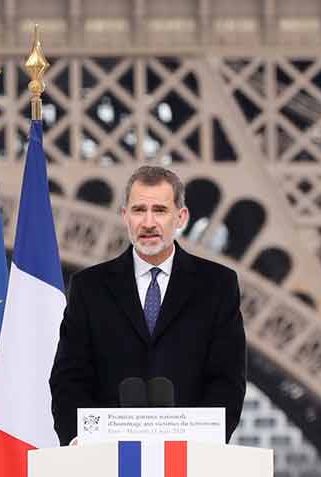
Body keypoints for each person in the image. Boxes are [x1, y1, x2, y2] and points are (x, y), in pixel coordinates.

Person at [49, 165, 246, 445]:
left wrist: (208, 439)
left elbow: (227, 378)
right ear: (125, 216)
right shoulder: (89, 287)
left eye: (160, 211)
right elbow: (70, 377)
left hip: (189, 459)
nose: (149, 222)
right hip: (106, 458)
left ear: (181, 217)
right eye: (139, 210)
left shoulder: (218, 285)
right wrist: (78, 438)